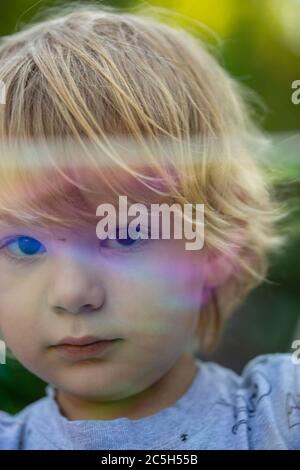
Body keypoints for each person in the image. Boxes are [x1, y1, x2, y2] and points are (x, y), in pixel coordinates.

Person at [0, 4, 298, 450]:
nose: (72, 295)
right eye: (24, 245)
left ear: (217, 246)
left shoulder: (280, 416)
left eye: (124, 233)